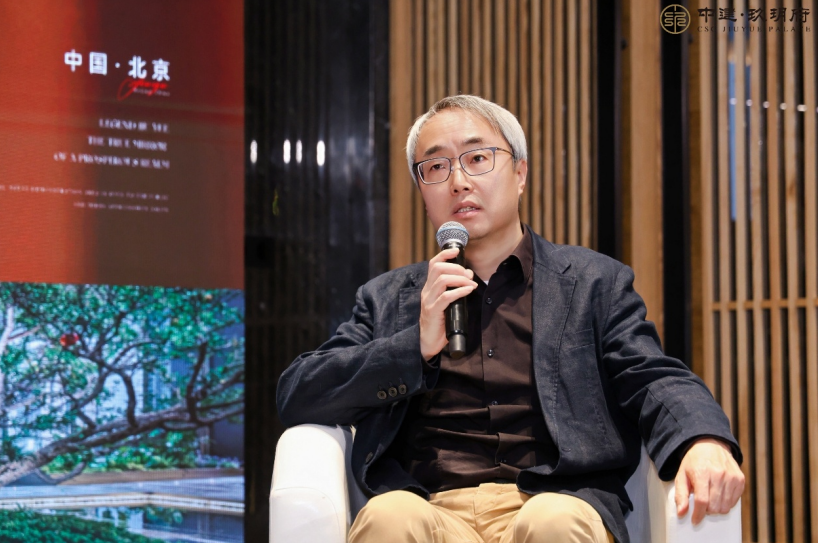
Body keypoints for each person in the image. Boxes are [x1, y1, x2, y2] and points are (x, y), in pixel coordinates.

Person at [276, 95, 744, 543]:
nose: (458, 181)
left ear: (520, 174)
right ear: (422, 192)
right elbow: (299, 391)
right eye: (436, 167)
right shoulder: (388, 299)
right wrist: (413, 346)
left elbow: (652, 375)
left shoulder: (592, 283)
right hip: (429, 508)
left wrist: (702, 438)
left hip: (553, 500)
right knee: (388, 517)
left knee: (553, 522)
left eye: (478, 158)